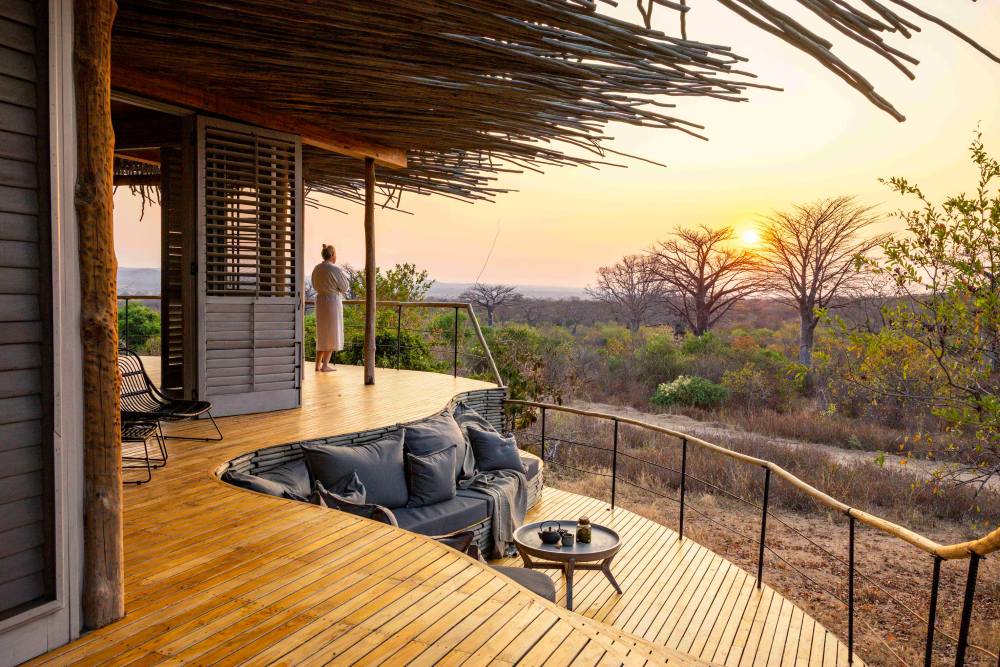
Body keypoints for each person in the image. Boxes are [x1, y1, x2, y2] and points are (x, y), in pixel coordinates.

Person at [310, 244, 350, 372]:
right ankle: (325, 365)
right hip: (332, 302)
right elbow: (344, 287)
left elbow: (314, 284)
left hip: (320, 301)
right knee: (332, 333)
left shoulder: (317, 269)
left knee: (321, 333)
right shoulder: (335, 269)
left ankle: (317, 365)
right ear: (332, 255)